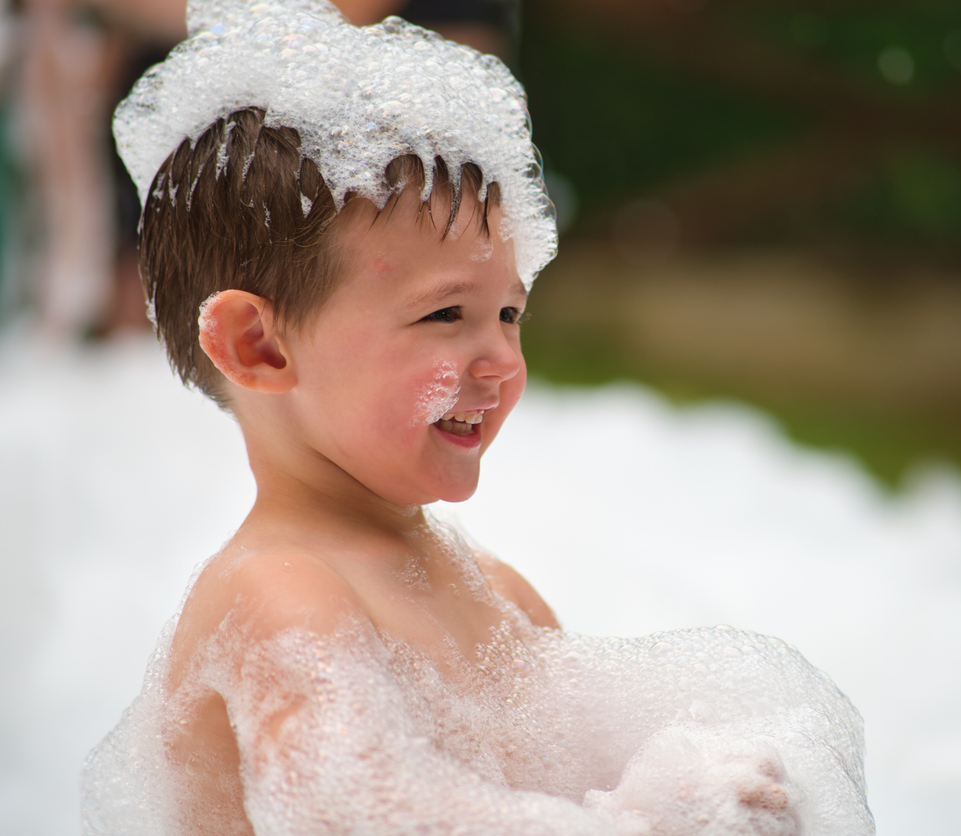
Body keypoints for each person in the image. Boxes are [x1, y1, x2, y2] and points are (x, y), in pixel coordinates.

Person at [83, 1, 873, 833]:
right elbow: (373, 816)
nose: (501, 360)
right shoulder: (278, 597)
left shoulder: (496, 595)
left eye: (510, 314)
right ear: (259, 347)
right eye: (445, 316)